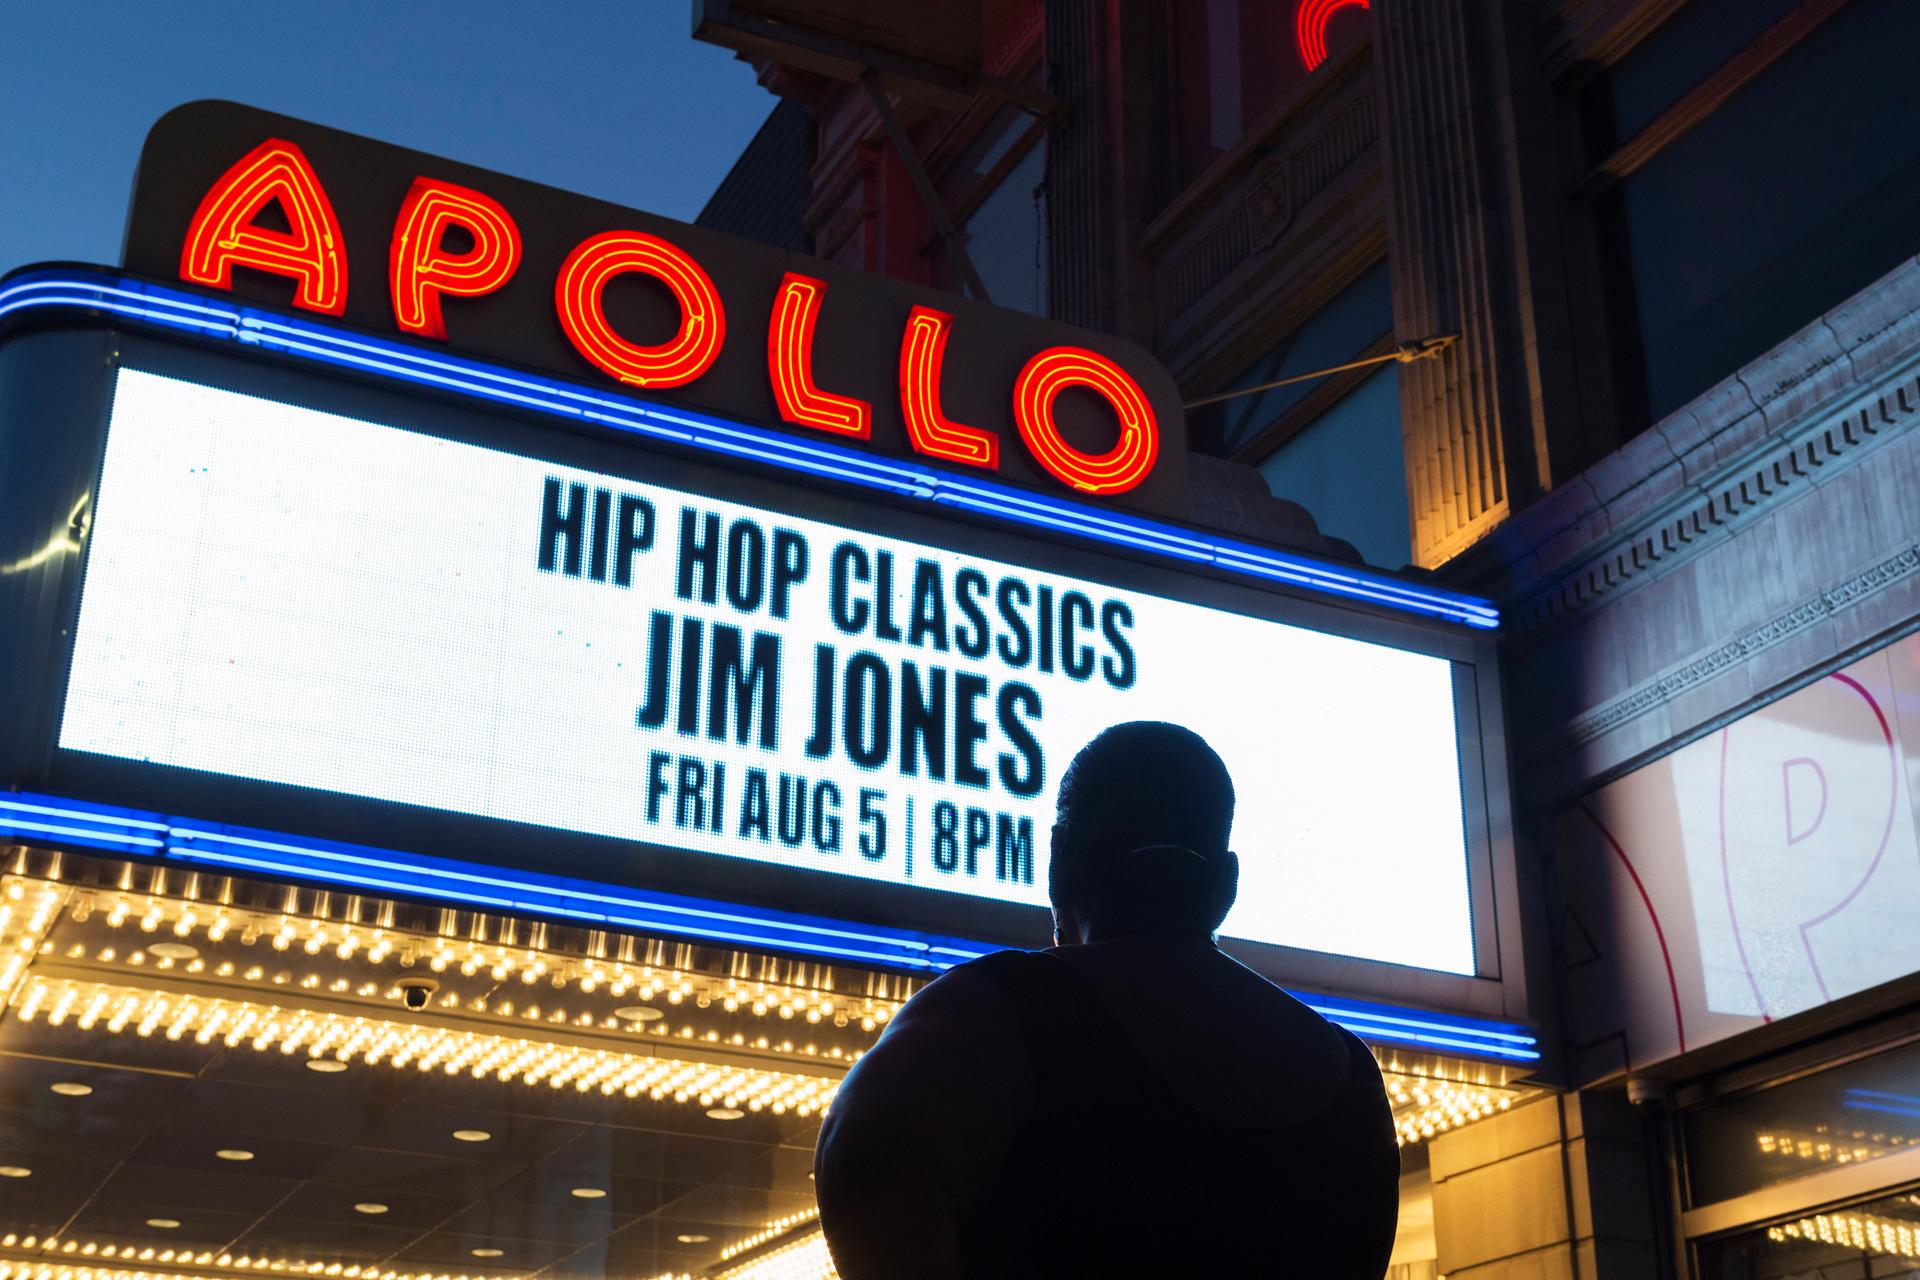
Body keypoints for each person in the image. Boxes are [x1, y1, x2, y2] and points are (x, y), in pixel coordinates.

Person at [814, 721, 1401, 1278]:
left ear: (1056, 868)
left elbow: (859, 1157)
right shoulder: (1349, 1075)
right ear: (1225, 885)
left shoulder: (999, 1010)